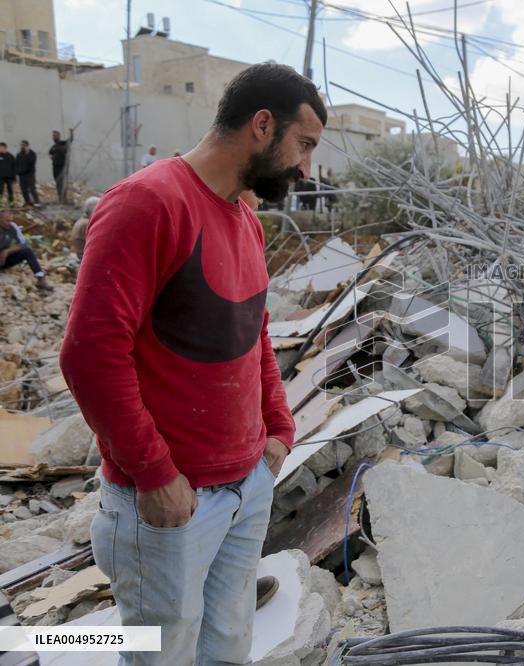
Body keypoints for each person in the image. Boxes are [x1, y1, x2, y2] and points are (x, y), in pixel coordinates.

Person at [60, 63, 325, 665]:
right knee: (162, 655)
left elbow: (253, 335)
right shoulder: (147, 203)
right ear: (262, 125)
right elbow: (90, 354)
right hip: (170, 506)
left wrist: (278, 429)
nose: (306, 167)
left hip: (246, 488)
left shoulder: (247, 223)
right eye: (303, 144)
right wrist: (153, 474)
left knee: (228, 644)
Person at [0, 210, 50, 290]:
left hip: (4, 259)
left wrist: (7, 251)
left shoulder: (13, 227)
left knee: (27, 251)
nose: (9, 223)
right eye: (7, 221)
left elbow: (24, 244)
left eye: (11, 220)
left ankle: (40, 278)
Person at [50, 128, 74, 204]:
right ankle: (60, 198)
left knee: (63, 183)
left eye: (55, 135)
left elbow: (70, 140)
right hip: (55, 168)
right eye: (53, 136)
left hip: (62, 168)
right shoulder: (53, 146)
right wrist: (52, 158)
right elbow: (50, 153)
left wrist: (71, 133)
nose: (53, 137)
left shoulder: (62, 143)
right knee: (57, 183)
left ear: (59, 136)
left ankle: (64, 199)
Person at [15, 141, 39, 207]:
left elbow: (32, 162)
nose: (22, 146)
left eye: (24, 145)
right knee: (24, 190)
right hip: (21, 175)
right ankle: (27, 202)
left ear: (27, 146)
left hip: (30, 174)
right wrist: (17, 172)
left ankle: (37, 202)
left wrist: (27, 153)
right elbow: (16, 164)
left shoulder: (32, 153)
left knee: (32, 189)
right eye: (21, 145)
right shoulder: (19, 154)